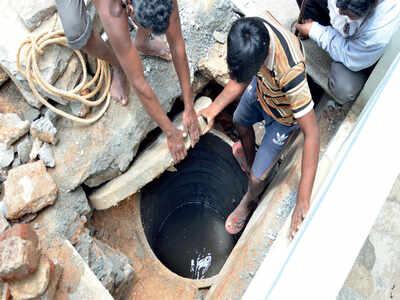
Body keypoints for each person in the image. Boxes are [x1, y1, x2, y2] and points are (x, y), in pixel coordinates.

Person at [199, 16, 320, 238]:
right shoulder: (252, 32)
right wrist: (213, 109)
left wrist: (303, 199)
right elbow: (241, 77)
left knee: (256, 179)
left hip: (283, 116)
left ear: (260, 61)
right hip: (262, 89)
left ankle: (250, 199)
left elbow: (312, 134)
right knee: (239, 122)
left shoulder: (291, 73)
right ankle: (251, 160)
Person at [55, 0, 201, 163]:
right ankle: (118, 65)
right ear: (129, 9)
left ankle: (142, 42)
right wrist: (170, 132)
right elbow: (139, 83)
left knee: (154, 16)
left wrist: (189, 106)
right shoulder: (111, 11)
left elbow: (177, 44)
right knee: (76, 32)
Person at [295, 0, 399, 104]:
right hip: (349, 30)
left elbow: (349, 56)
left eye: (347, 12)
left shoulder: (379, 32)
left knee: (344, 88)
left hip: (361, 55)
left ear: (374, 4)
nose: (339, 12)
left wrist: (315, 31)